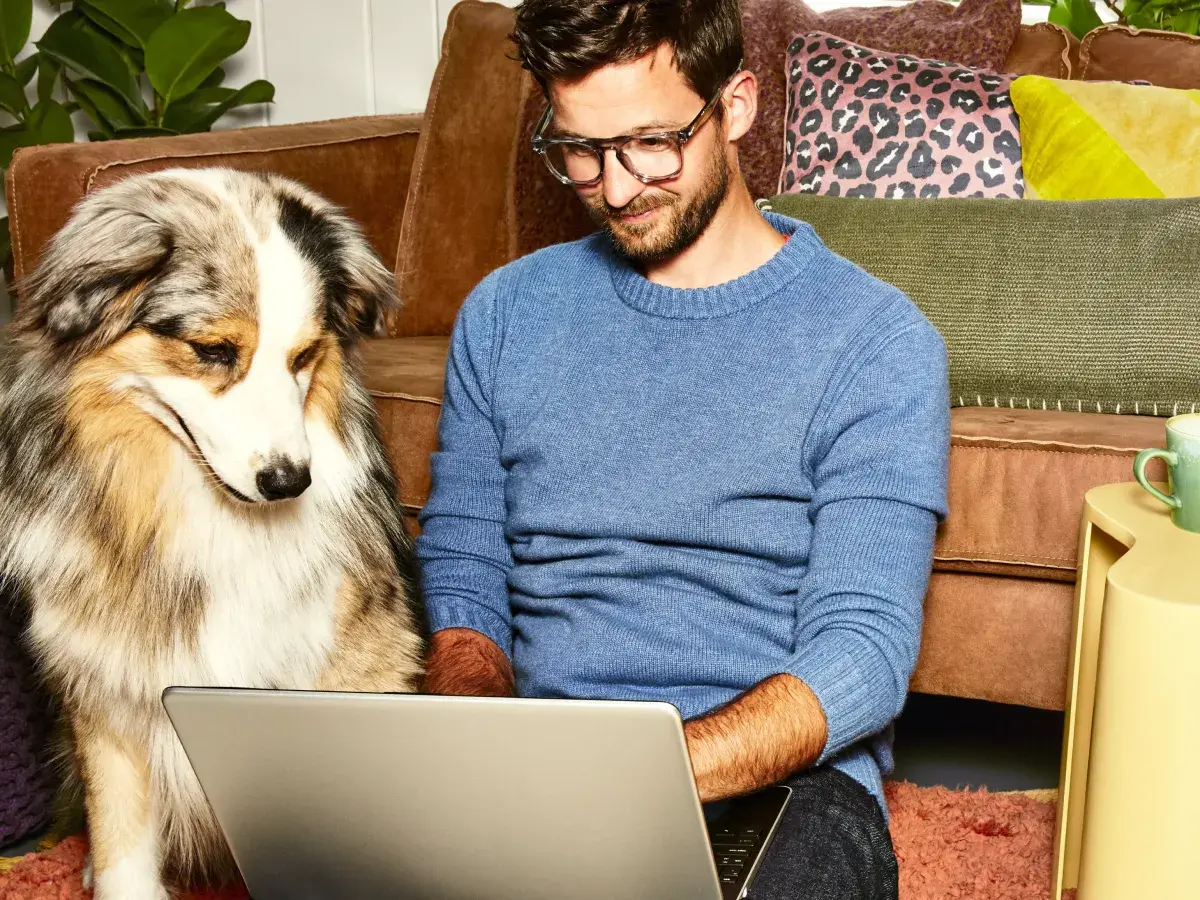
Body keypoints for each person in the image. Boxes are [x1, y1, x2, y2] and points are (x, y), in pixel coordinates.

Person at [416, 1, 950, 896]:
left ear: (736, 105)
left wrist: (637, 779)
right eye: (580, 151)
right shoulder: (506, 314)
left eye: (649, 143)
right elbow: (466, 567)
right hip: (544, 763)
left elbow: (862, 653)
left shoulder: (877, 341)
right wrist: (485, 743)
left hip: (780, 786)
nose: (616, 188)